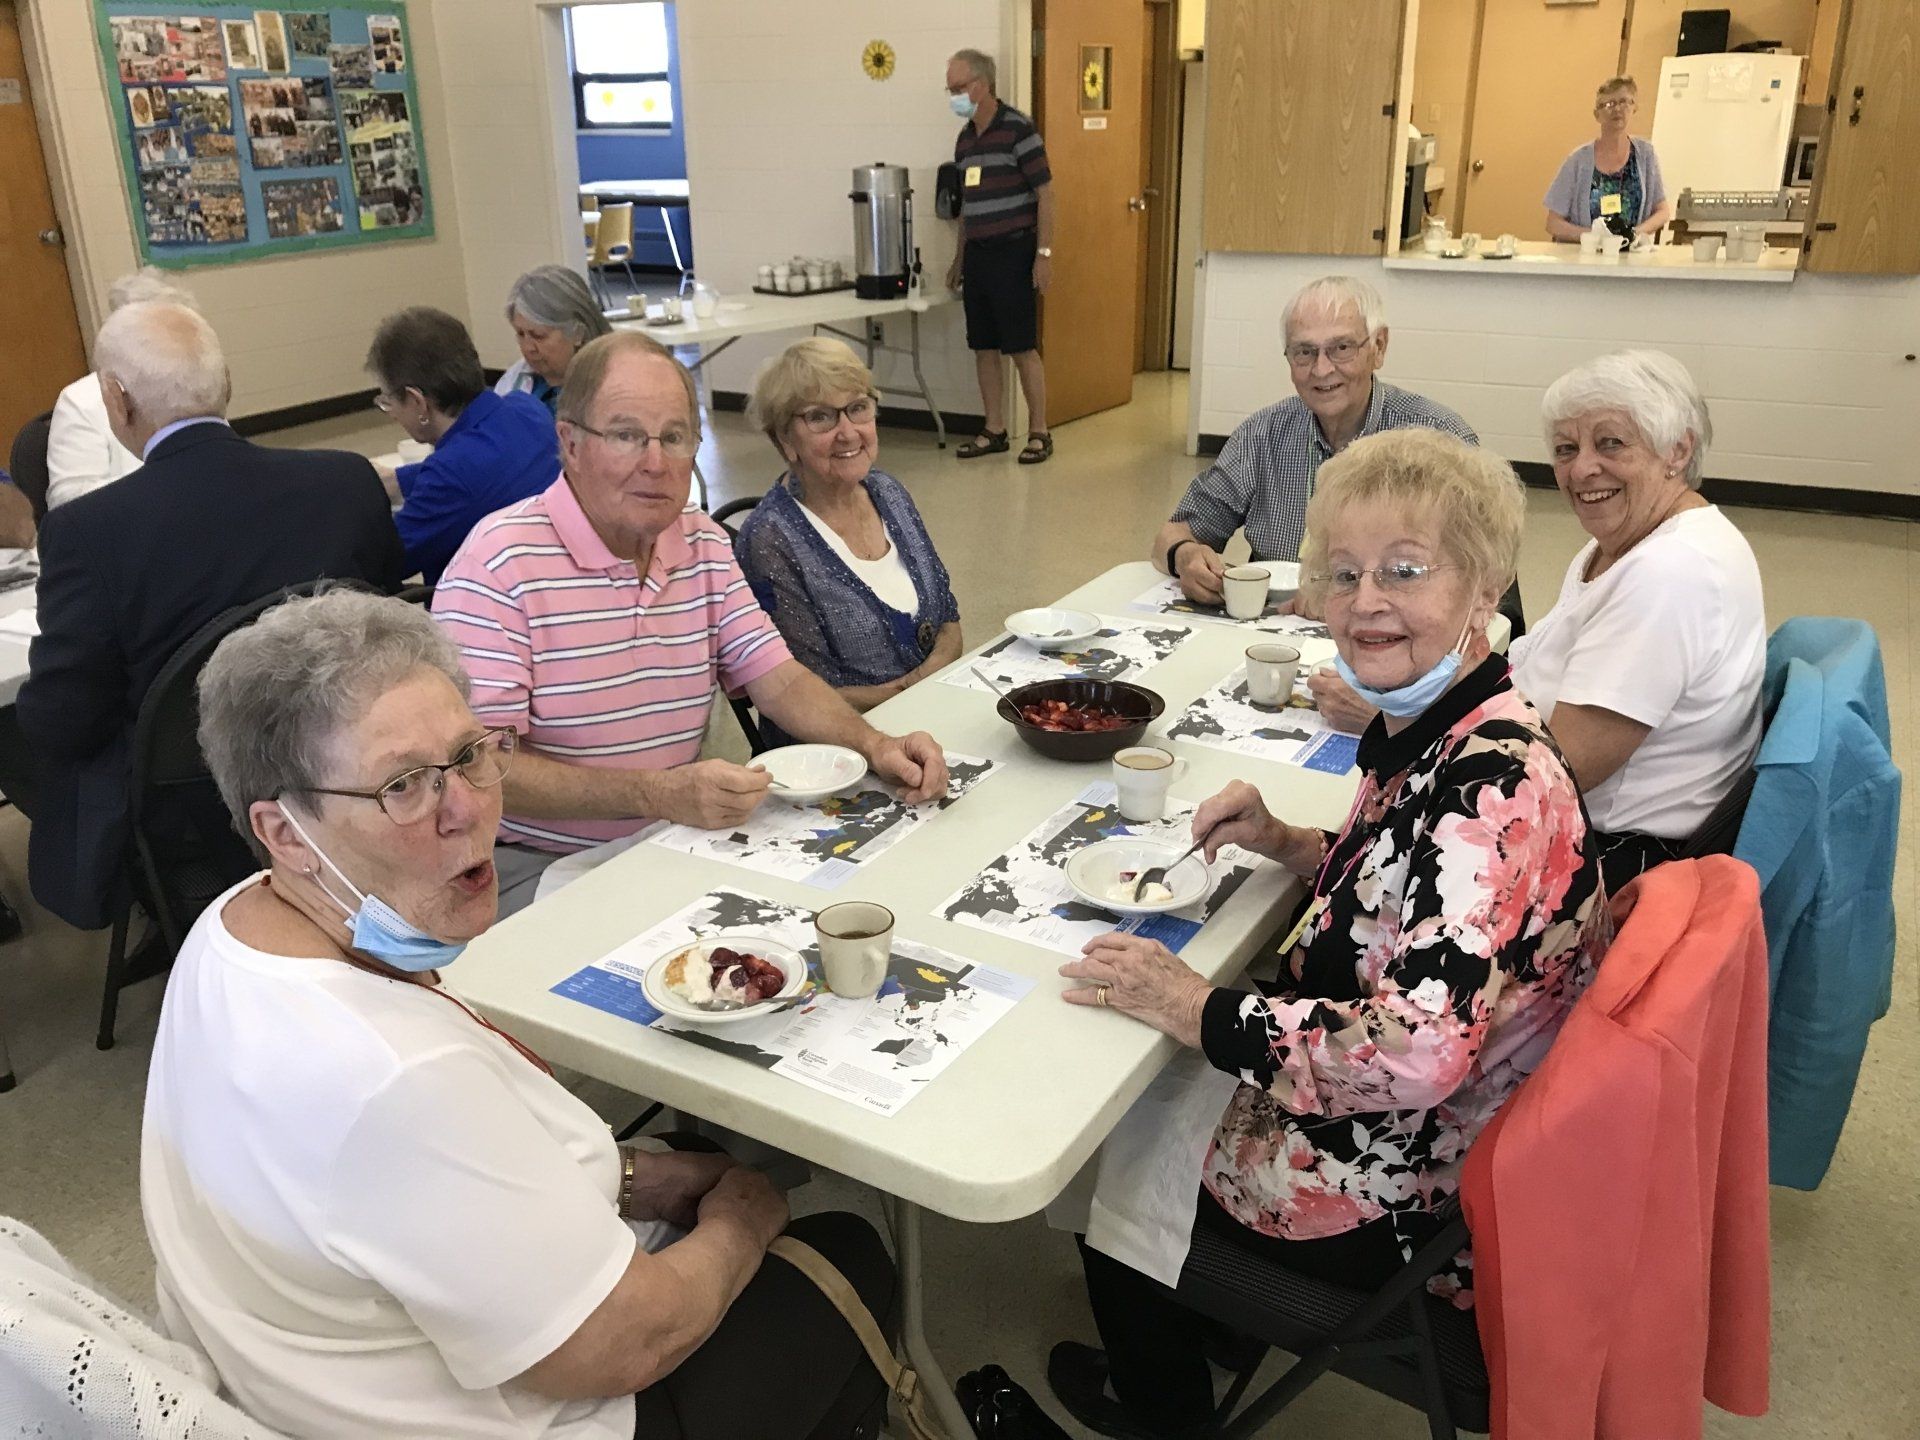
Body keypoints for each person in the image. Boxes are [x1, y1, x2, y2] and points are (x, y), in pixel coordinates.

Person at [147, 586, 897, 1439]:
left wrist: (633, 1176)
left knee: (693, 1159)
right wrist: (741, 1224)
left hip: (298, 1368)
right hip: (520, 1413)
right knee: (844, 1252)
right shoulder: (389, 1081)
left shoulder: (232, 928)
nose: (468, 808)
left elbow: (428, 1188)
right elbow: (624, 1346)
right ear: (286, 832)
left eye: (470, 754)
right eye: (403, 786)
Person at [1047, 428, 1607, 1440]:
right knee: (1161, 1068)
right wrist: (1289, 842)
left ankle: (1163, 1405)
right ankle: (1209, 1326)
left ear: (1485, 588)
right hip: (1467, 1121)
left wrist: (1197, 1007)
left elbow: (1417, 1054)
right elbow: (1411, 888)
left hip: (1411, 1179)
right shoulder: (1459, 723)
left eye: (1406, 570)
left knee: (1110, 1127)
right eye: (1342, 573)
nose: (1364, 601)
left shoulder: (1492, 790)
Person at [433, 332, 949, 914]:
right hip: (539, 860)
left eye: (675, 437)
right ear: (570, 442)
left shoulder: (701, 542)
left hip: (673, 838)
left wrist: (875, 745)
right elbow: (480, 767)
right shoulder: (497, 566)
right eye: (627, 435)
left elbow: (777, 678)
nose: (656, 463)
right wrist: (655, 793)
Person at [4, 302, 405, 930]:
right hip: (342, 764)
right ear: (226, 385)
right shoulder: (346, 481)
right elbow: (384, 629)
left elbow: (65, 720)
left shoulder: (89, 532)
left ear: (117, 401)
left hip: (193, 803)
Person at [1151, 275, 1515, 732]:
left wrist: (1393, 711)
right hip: (1279, 660)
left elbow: (1493, 607)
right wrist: (1184, 555)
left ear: (1379, 347)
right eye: (1304, 352)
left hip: (1392, 665)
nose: (1321, 370)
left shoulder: (1438, 440)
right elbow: (1173, 533)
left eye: (1341, 348)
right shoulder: (1263, 434)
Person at [1511, 350, 1763, 891]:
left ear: (1678, 450)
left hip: (1608, 855)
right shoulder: (1627, 542)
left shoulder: (1668, 572)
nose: (1582, 469)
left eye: (1611, 443)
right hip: (1575, 811)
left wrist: (1425, 734)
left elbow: (1559, 771)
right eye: (1566, 449)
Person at [735, 339, 962, 741]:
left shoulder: (888, 492)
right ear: (785, 439)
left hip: (931, 723)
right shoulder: (769, 541)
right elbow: (805, 694)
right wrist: (916, 692)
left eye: (858, 408)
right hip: (838, 752)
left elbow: (948, 622)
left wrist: (920, 693)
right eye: (820, 417)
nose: (848, 432)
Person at [366, 306, 558, 585]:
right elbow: (489, 467)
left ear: (417, 401)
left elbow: (383, 563)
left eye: (388, 401)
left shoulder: (449, 475)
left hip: (483, 604)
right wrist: (399, 480)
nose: (392, 414)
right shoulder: (528, 410)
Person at [944, 48, 1056, 465]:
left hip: (1015, 250)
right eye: (949, 89)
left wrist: (1043, 255)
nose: (953, 97)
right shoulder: (965, 140)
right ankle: (994, 429)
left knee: (1021, 346)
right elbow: (966, 207)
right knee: (983, 346)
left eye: (957, 88)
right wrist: (959, 259)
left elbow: (1046, 194)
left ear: (981, 85)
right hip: (979, 255)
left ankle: (1040, 432)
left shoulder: (1018, 129)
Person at [45, 267, 194, 509]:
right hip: (130, 523)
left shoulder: (192, 387)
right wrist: (161, 484)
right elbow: (67, 500)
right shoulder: (82, 400)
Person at [1543, 76, 1673, 243]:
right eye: (1609, 104)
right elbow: (1553, 224)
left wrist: (1634, 234)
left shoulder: (1646, 155)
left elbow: (1662, 211)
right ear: (1597, 115)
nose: (1617, 109)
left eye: (1624, 102)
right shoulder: (1577, 161)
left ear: (1634, 107)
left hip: (1631, 254)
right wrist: (1595, 238)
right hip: (1586, 253)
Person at [495, 265, 613, 416]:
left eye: (538, 335)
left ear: (578, 333)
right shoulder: (515, 378)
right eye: (520, 334)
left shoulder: (611, 382)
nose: (528, 347)